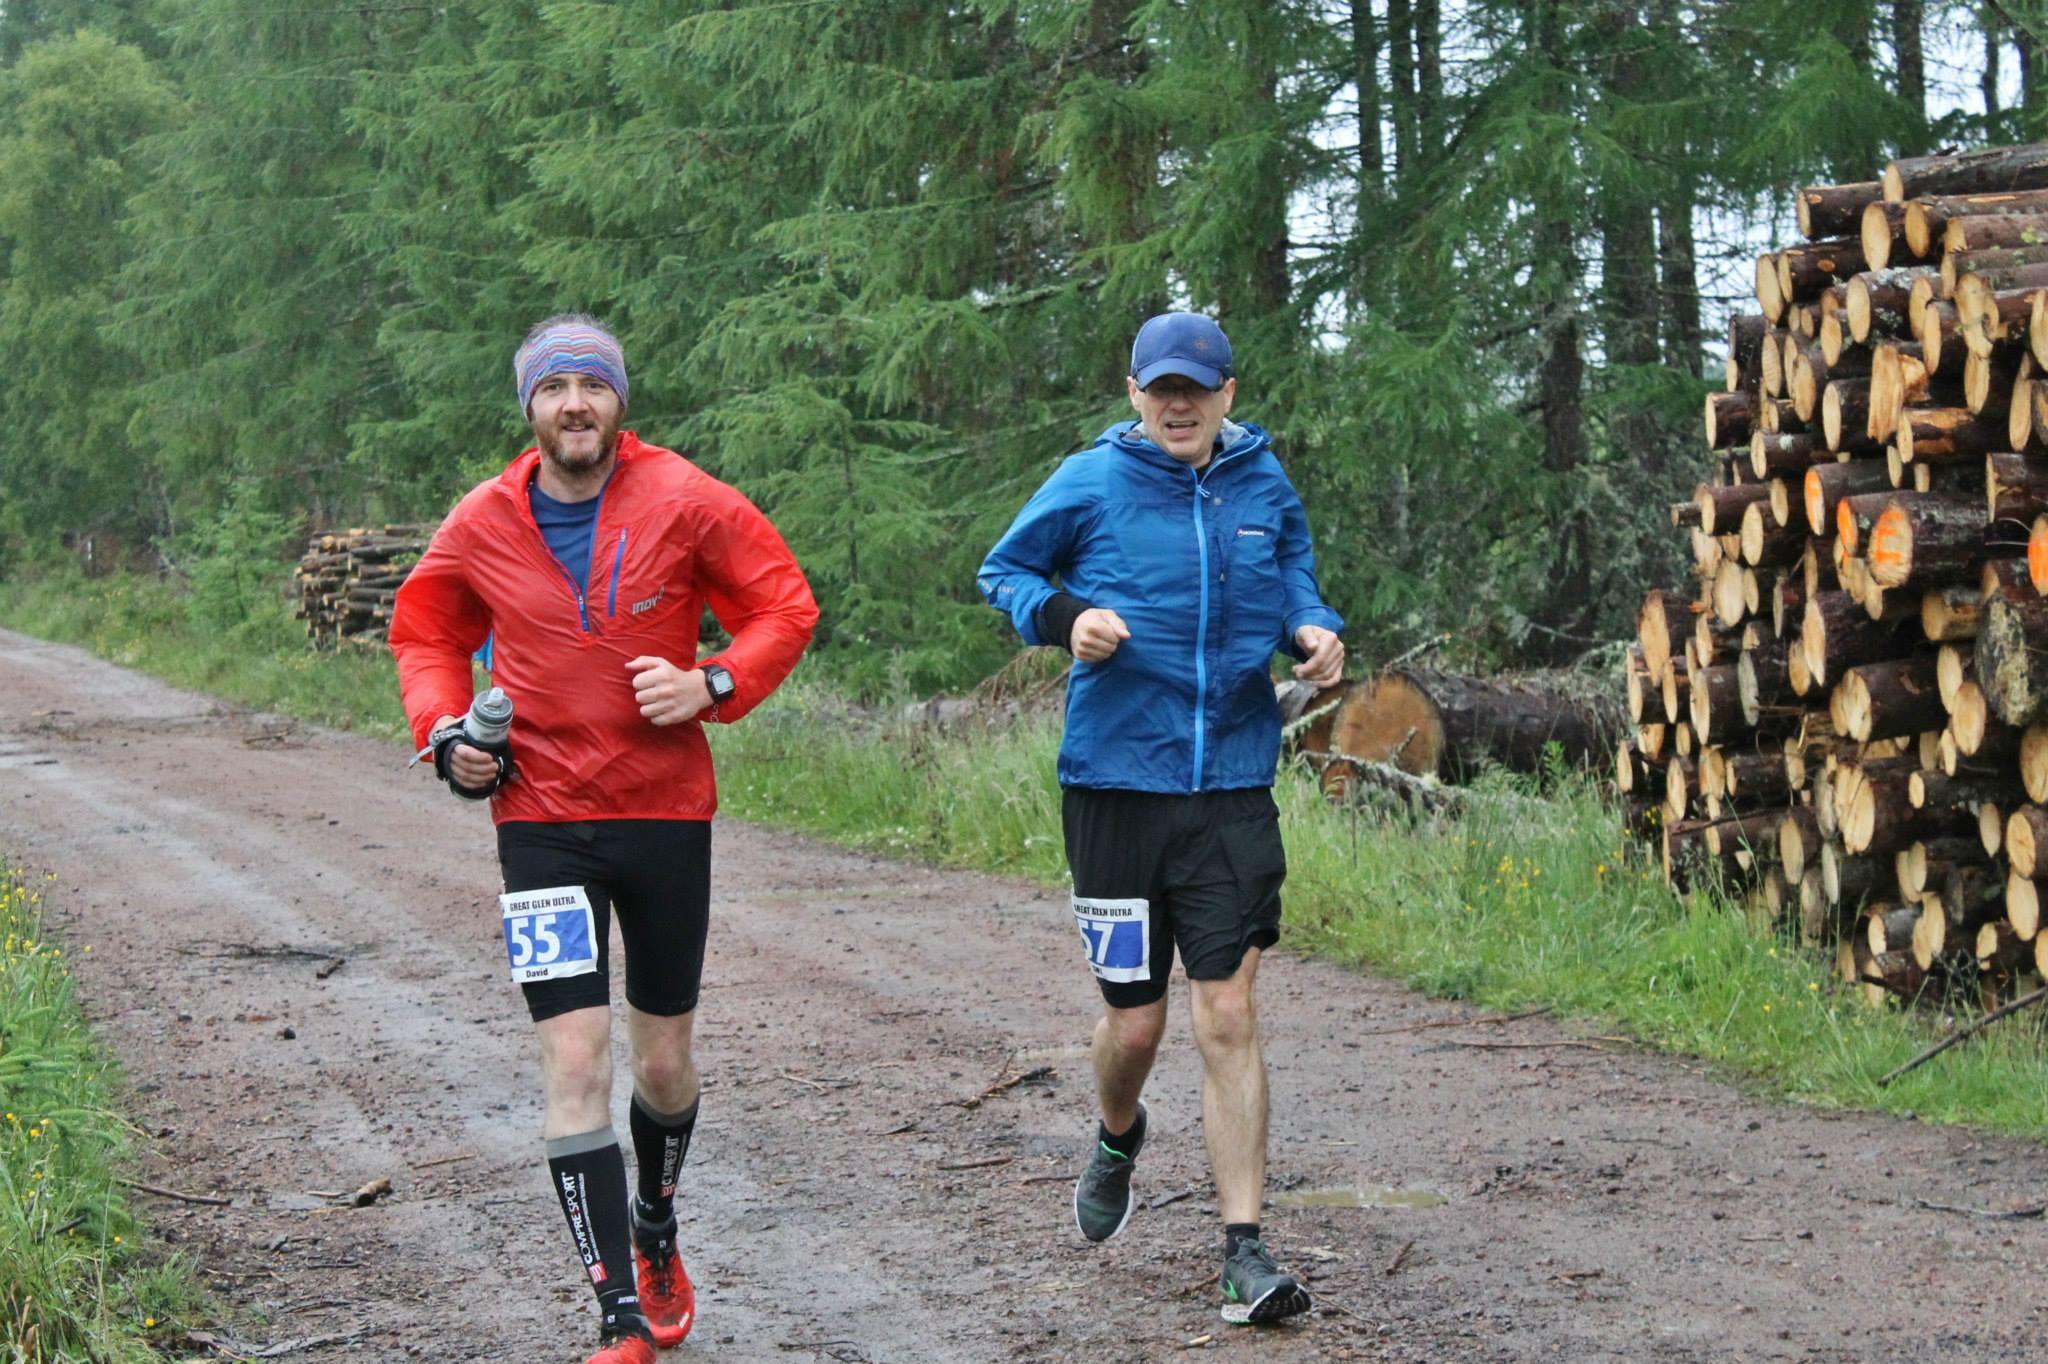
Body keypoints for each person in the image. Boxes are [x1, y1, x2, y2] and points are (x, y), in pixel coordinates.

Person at [389, 315, 818, 1364]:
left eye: (591, 384)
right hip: (539, 822)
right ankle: (618, 1315)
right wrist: (446, 736)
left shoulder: (685, 496)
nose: (573, 403)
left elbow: (783, 605)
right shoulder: (483, 519)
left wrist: (712, 681)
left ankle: (655, 1225)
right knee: (574, 1058)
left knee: (663, 1061)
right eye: (553, 387)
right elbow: (427, 630)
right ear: (529, 406)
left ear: (619, 401)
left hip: (663, 814)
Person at [976, 312, 1345, 1326]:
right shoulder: (1092, 480)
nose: (1178, 406)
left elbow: (1296, 580)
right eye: (1160, 389)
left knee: (1226, 1012)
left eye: (1196, 388)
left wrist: (1314, 630)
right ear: (1134, 393)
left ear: (1228, 393)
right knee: (1134, 1022)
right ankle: (1116, 1131)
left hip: (1230, 784)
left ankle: (1243, 1252)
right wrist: (1066, 620)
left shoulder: (1262, 483)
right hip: (1114, 785)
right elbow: (1003, 572)